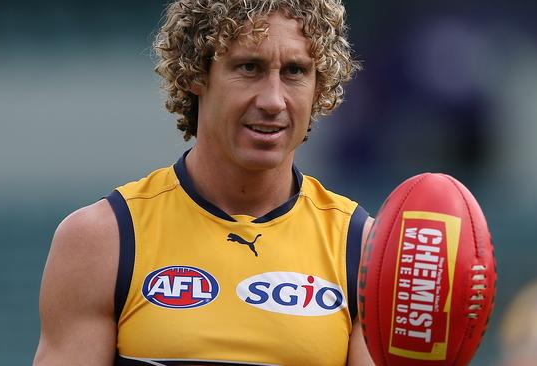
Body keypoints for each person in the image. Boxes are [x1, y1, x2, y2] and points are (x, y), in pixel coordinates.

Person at [33, 1, 375, 365]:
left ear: (318, 86)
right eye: (249, 67)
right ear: (195, 74)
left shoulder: (364, 251)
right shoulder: (103, 239)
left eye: (295, 71)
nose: (274, 100)